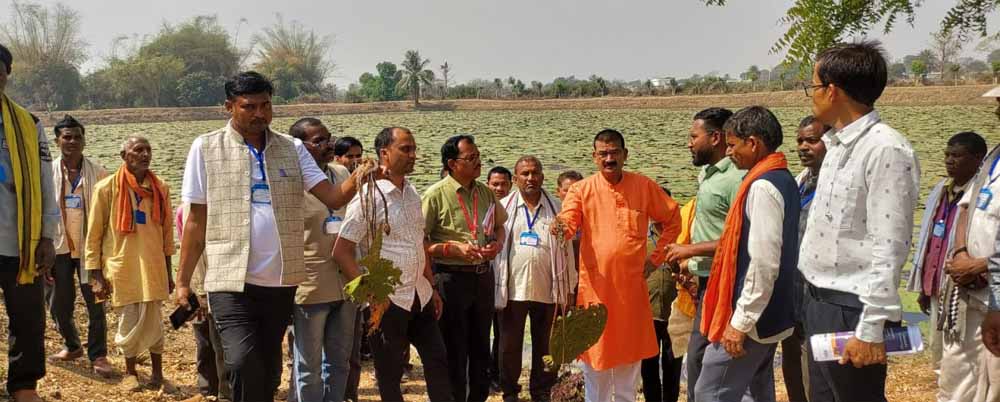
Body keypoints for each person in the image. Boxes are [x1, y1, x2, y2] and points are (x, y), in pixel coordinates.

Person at [174, 71, 361, 402]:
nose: (260, 114)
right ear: (229, 106)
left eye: (266, 105)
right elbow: (195, 222)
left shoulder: (293, 149)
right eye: (249, 107)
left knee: (268, 368)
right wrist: (184, 282)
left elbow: (332, 198)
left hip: (280, 282)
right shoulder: (205, 148)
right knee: (241, 360)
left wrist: (362, 175)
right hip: (229, 281)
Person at [799, 40, 920, 402]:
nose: (811, 96)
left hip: (853, 308)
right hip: (819, 302)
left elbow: (891, 244)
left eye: (813, 86)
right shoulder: (835, 146)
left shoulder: (885, 149)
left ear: (832, 90)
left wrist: (871, 327)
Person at [552, 129, 681, 402]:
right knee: (595, 370)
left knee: (627, 375)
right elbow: (569, 222)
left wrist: (655, 258)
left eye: (614, 153)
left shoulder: (644, 186)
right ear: (594, 157)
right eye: (603, 154)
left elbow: (672, 219)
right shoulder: (581, 190)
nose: (609, 159)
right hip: (595, 295)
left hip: (631, 296)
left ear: (625, 155)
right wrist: (560, 227)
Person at [334, 126, 454, 401]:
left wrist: (431, 286)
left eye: (414, 148)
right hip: (387, 300)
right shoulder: (369, 197)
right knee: (389, 373)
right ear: (384, 153)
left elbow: (419, 242)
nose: (413, 155)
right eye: (406, 149)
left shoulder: (411, 193)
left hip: (419, 294)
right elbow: (341, 251)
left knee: (437, 360)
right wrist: (371, 297)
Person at [695, 106, 800, 402]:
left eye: (732, 145)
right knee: (756, 389)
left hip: (752, 320)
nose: (728, 153)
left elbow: (764, 262)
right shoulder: (784, 177)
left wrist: (739, 323)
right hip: (772, 316)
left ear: (752, 143)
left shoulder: (763, 186)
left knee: (710, 391)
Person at [663, 107, 745, 402]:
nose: (689, 143)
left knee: (712, 363)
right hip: (705, 281)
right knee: (698, 359)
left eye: (693, 136)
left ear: (715, 137)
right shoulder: (708, 175)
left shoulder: (736, 179)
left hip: (727, 284)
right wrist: (690, 263)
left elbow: (743, 237)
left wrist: (690, 249)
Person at [86, 136, 175, 392]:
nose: (145, 154)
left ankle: (158, 374)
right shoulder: (106, 189)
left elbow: (167, 234)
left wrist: (169, 273)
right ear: (124, 155)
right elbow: (93, 235)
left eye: (148, 149)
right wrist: (95, 275)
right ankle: (130, 373)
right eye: (138, 150)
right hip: (122, 265)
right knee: (128, 320)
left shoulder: (161, 188)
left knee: (155, 322)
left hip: (154, 265)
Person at [423, 134, 508, 402]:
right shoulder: (435, 195)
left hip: (482, 277)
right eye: (470, 158)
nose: (477, 162)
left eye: (478, 156)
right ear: (452, 163)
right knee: (454, 349)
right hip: (451, 278)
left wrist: (496, 245)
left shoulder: (484, 192)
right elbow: (419, 242)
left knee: (481, 346)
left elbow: (500, 226)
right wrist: (451, 248)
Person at [0, 42, 59, 402]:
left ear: (6, 75)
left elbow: (45, 182)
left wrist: (47, 237)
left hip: (18, 243)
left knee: (28, 319)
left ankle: (23, 385)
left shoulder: (28, 124)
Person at [494, 156, 577, 402]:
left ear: (543, 176)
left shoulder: (557, 209)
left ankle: (542, 391)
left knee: (546, 345)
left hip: (549, 288)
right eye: (525, 173)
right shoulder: (503, 207)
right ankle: (510, 391)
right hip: (513, 289)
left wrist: (570, 288)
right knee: (509, 346)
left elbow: (568, 250)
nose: (531, 178)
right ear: (515, 177)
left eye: (535, 173)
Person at [288, 118, 360, 402]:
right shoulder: (291, 185)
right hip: (311, 285)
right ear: (299, 148)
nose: (328, 145)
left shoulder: (342, 173)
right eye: (318, 141)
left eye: (328, 138)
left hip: (347, 281)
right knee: (309, 367)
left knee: (339, 363)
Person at [914, 132, 986, 401]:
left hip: (964, 288)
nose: (949, 161)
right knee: (939, 348)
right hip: (936, 284)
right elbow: (928, 241)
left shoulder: (979, 196)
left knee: (965, 354)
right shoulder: (941, 191)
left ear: (978, 159)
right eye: (947, 155)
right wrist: (923, 285)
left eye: (957, 156)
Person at [45, 114, 113, 378]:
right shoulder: (47, 172)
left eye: (77, 137)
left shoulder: (99, 173)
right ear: (57, 141)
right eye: (67, 137)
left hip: (90, 249)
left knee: (96, 303)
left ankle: (99, 355)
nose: (73, 141)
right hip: (57, 247)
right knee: (58, 305)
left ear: (84, 141)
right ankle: (72, 345)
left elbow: (108, 214)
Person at [785, 115, 831, 402]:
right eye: (800, 140)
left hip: (822, 295)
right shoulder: (800, 181)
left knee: (821, 371)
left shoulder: (836, 184)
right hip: (794, 291)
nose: (803, 147)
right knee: (793, 362)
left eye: (812, 140)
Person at [176, 203, 232, 402]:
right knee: (203, 337)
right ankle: (207, 389)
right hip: (199, 282)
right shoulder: (184, 211)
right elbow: (186, 249)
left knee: (221, 341)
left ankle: (225, 390)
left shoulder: (224, 207)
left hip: (221, 282)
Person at [641, 187, 685, 402]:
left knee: (673, 365)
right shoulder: (641, 235)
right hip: (646, 313)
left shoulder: (681, 234)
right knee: (647, 367)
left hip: (675, 312)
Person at [485, 164, 512, 391]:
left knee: (502, 331)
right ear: (488, 185)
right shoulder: (482, 205)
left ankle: (496, 374)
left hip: (507, 279)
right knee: (483, 328)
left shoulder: (514, 208)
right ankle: (484, 373)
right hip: (484, 275)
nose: (499, 188)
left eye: (504, 184)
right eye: (495, 184)